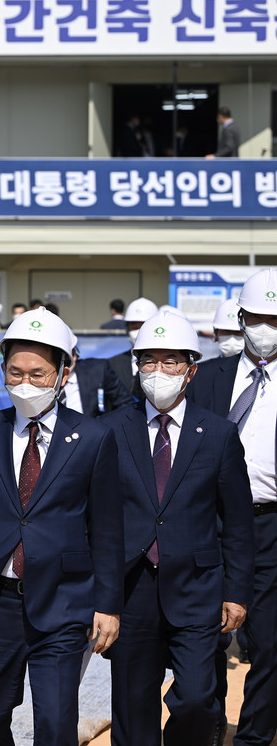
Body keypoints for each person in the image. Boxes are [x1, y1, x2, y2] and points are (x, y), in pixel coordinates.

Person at [0, 307, 124, 746]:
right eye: (15, 372)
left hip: (65, 603)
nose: (25, 383)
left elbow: (108, 529)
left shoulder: (92, 438)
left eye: (38, 374)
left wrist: (108, 605)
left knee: (55, 724)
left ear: (62, 372)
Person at [106, 312, 254, 746]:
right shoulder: (110, 430)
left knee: (196, 699)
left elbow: (238, 523)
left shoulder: (220, 434)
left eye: (171, 361)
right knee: (133, 707)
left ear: (191, 369)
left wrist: (236, 591)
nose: (159, 371)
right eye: (149, 361)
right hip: (131, 590)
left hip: (197, 587)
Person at [186, 268, 277, 746]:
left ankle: (255, 738)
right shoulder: (208, 378)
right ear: (241, 318)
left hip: (270, 526)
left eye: (275, 319)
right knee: (203, 638)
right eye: (258, 318)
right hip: (206, 524)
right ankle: (205, 726)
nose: (266, 329)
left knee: (267, 643)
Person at [65, 334, 133, 417]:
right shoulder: (47, 377)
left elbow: (125, 404)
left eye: (69, 355)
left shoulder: (98, 370)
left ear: (75, 354)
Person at [106, 297, 159, 396]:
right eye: (134, 327)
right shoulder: (113, 364)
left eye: (143, 326)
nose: (138, 332)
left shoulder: (167, 365)